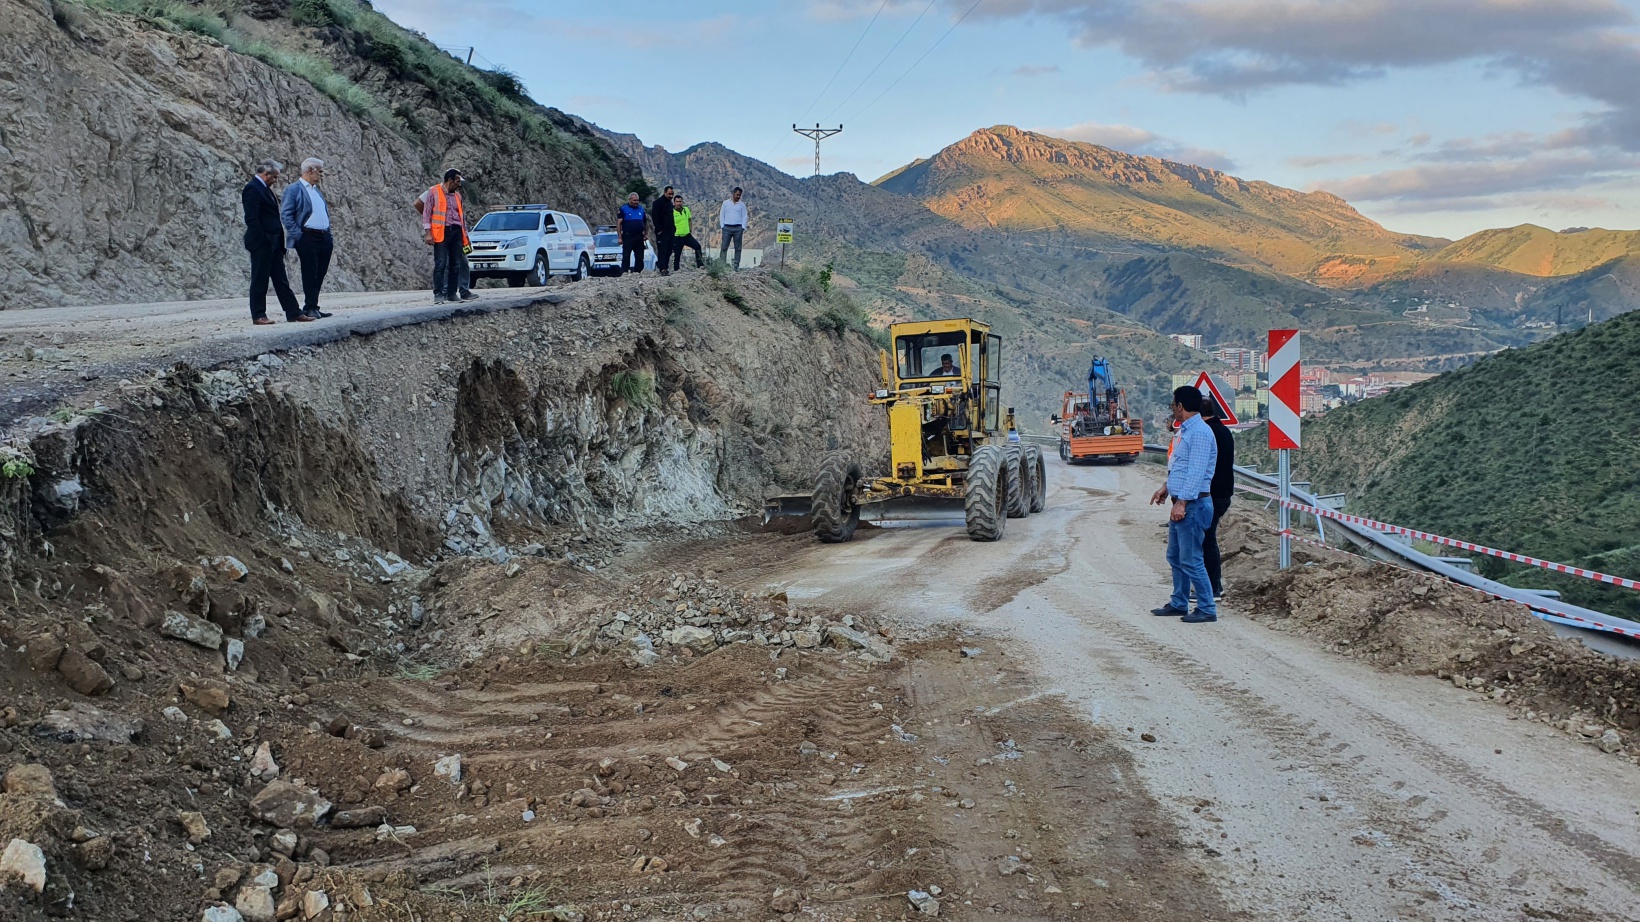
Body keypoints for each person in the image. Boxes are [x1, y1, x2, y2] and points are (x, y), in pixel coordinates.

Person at [1149, 386, 1218, 623]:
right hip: (1184, 502)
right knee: (1176, 556)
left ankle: (1207, 608)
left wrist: (1183, 503)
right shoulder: (1186, 431)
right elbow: (1181, 468)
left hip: (1193, 504)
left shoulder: (1198, 433)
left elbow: (1196, 473)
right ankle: (1179, 602)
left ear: (1180, 407)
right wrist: (1166, 489)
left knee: (1191, 558)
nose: (1173, 410)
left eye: (1173, 405)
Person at [241, 159, 309, 325]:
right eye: (275, 177)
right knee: (260, 279)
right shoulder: (252, 189)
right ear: (266, 174)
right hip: (262, 243)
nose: (275, 181)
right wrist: (263, 240)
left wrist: (278, 242)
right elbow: (252, 218)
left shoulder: (265, 189)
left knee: (281, 279)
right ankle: (258, 315)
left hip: (274, 243)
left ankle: (293, 312)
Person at [280, 157, 334, 319]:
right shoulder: (294, 189)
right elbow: (286, 214)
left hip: (324, 237)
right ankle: (310, 307)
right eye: (320, 171)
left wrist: (329, 234)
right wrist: (299, 236)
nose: (321, 175)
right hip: (307, 236)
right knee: (310, 272)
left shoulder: (316, 190)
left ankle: (313, 305)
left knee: (320, 272)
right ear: (311, 170)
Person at [417, 169, 478, 304]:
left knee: (455, 265)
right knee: (440, 264)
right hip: (441, 233)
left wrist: (465, 236)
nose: (459, 185)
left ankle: (451, 293)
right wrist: (428, 233)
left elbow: (462, 218)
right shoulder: (433, 192)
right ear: (450, 181)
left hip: (456, 232)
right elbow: (426, 213)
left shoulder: (458, 196)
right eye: (457, 182)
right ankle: (439, 294)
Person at [1200, 397, 1236, 601]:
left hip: (1213, 495)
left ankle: (1213, 588)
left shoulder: (1208, 433)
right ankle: (1211, 586)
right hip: (1222, 494)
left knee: (1206, 540)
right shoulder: (1223, 431)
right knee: (1207, 539)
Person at [670, 193, 704, 270]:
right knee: (677, 255)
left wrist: (690, 229)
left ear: (682, 202)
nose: (679, 203)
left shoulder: (686, 210)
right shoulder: (671, 212)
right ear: (674, 202)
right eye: (677, 201)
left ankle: (700, 265)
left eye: (680, 201)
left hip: (687, 235)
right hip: (677, 236)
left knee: (697, 247)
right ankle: (676, 271)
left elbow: (689, 220)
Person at [718, 186, 748, 269]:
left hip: (738, 228)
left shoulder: (742, 205)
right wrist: (722, 226)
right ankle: (722, 264)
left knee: (738, 248)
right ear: (733, 193)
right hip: (727, 228)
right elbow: (721, 214)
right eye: (737, 194)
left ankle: (736, 265)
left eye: (740, 195)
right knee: (724, 247)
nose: (738, 196)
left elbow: (745, 216)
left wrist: (743, 227)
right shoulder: (725, 203)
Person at [618, 192, 647, 274]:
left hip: (639, 237)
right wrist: (620, 237)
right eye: (634, 200)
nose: (636, 202)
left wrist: (646, 233)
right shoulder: (623, 209)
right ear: (629, 200)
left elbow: (645, 222)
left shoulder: (641, 209)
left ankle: (638, 272)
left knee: (640, 256)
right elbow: (619, 223)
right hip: (628, 236)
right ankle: (624, 273)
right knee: (626, 256)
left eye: (637, 200)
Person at [650, 186, 676, 277]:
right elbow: (654, 216)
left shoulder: (670, 204)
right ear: (665, 193)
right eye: (669, 194)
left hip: (670, 231)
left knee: (669, 250)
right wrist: (658, 229)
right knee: (662, 250)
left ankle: (664, 266)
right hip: (662, 232)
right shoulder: (657, 203)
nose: (671, 196)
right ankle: (662, 268)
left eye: (672, 194)